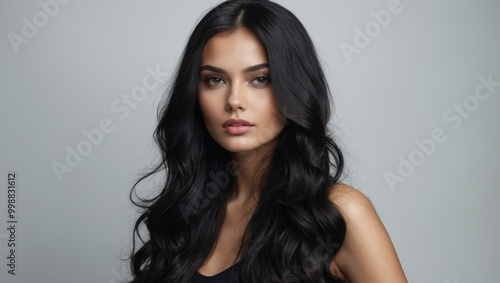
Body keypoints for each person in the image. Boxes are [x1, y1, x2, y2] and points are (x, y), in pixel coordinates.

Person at [128, 0, 408, 282]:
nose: (234, 101)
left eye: (260, 79)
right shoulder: (187, 213)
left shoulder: (338, 215)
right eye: (214, 80)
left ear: (295, 87)